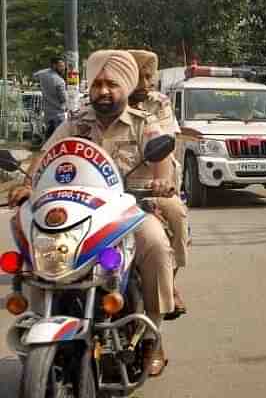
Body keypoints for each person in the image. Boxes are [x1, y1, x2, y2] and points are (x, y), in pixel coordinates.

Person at [10, 50, 175, 376]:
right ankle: (36, 315)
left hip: (130, 213)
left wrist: (162, 182)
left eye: (111, 84)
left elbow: (164, 166)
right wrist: (29, 183)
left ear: (126, 87)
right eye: (97, 83)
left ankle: (153, 337)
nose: (103, 91)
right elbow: (45, 158)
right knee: (30, 238)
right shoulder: (74, 123)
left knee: (156, 244)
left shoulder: (145, 125)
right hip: (80, 216)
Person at [128, 49, 188, 321]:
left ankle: (168, 281)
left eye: (149, 77)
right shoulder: (90, 110)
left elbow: (164, 142)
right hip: (105, 189)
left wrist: (161, 182)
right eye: (140, 77)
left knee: (174, 214)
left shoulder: (158, 103)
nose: (146, 83)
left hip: (150, 184)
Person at [34, 57, 67, 140]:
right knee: (59, 139)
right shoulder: (60, 81)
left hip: (47, 114)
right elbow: (63, 99)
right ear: (54, 66)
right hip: (58, 115)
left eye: (64, 66)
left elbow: (35, 75)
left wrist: (49, 70)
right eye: (61, 66)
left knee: (49, 138)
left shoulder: (43, 74)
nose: (63, 68)